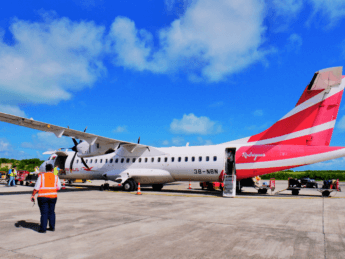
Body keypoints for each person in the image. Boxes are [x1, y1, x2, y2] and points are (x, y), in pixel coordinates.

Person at [31, 164, 61, 233]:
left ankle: (43, 229)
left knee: (44, 213)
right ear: (52, 169)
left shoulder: (41, 176)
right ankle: (52, 227)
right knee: (52, 212)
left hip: (42, 197)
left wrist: (33, 195)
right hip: (53, 197)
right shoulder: (56, 177)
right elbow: (59, 187)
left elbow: (36, 187)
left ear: (45, 169)